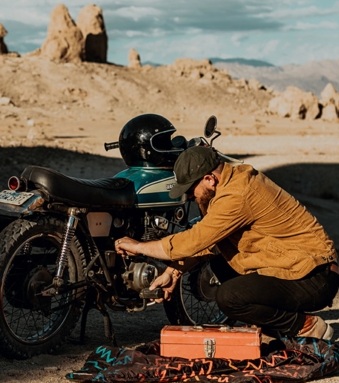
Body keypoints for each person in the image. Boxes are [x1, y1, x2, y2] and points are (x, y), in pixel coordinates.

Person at [115, 146, 339, 340]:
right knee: (223, 265)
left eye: (191, 191)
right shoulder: (231, 181)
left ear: (209, 179)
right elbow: (210, 243)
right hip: (296, 266)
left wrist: (137, 246)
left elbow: (193, 241)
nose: (191, 198)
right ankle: (273, 328)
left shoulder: (237, 195)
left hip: (315, 276)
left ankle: (306, 326)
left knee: (229, 298)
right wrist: (173, 273)